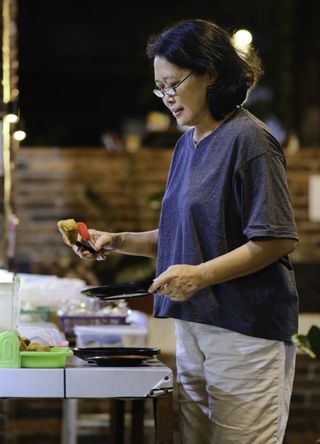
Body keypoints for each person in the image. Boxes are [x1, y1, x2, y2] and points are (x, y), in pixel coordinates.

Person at [73, 19, 298, 444]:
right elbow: (183, 234)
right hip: (194, 326)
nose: (167, 98)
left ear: (211, 73)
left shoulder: (251, 140)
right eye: (160, 88)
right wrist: (116, 240)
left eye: (173, 83)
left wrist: (201, 275)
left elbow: (276, 239)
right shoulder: (188, 143)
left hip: (244, 332)